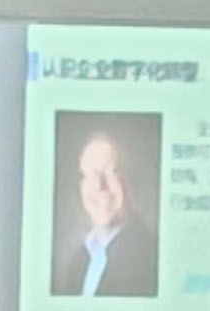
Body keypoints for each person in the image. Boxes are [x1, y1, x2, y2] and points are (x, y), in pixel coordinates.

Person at [49, 118, 159, 299]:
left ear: (130, 180)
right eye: (91, 174)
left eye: (111, 172)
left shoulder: (149, 258)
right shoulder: (78, 262)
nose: (100, 186)